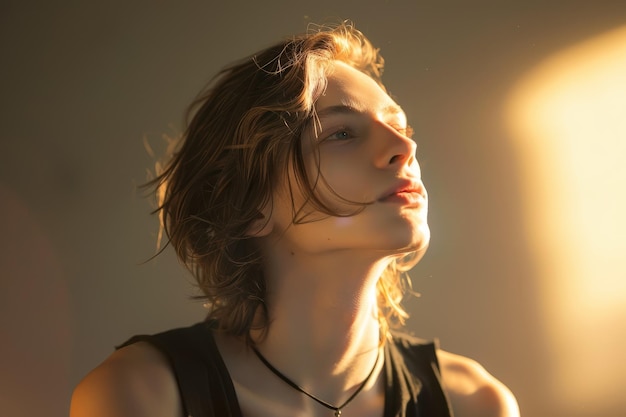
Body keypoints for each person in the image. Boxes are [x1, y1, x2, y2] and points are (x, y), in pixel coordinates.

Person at [70, 22, 519, 417]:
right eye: (341, 133)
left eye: (401, 128)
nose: (405, 149)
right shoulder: (141, 396)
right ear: (249, 204)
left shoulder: (475, 404)